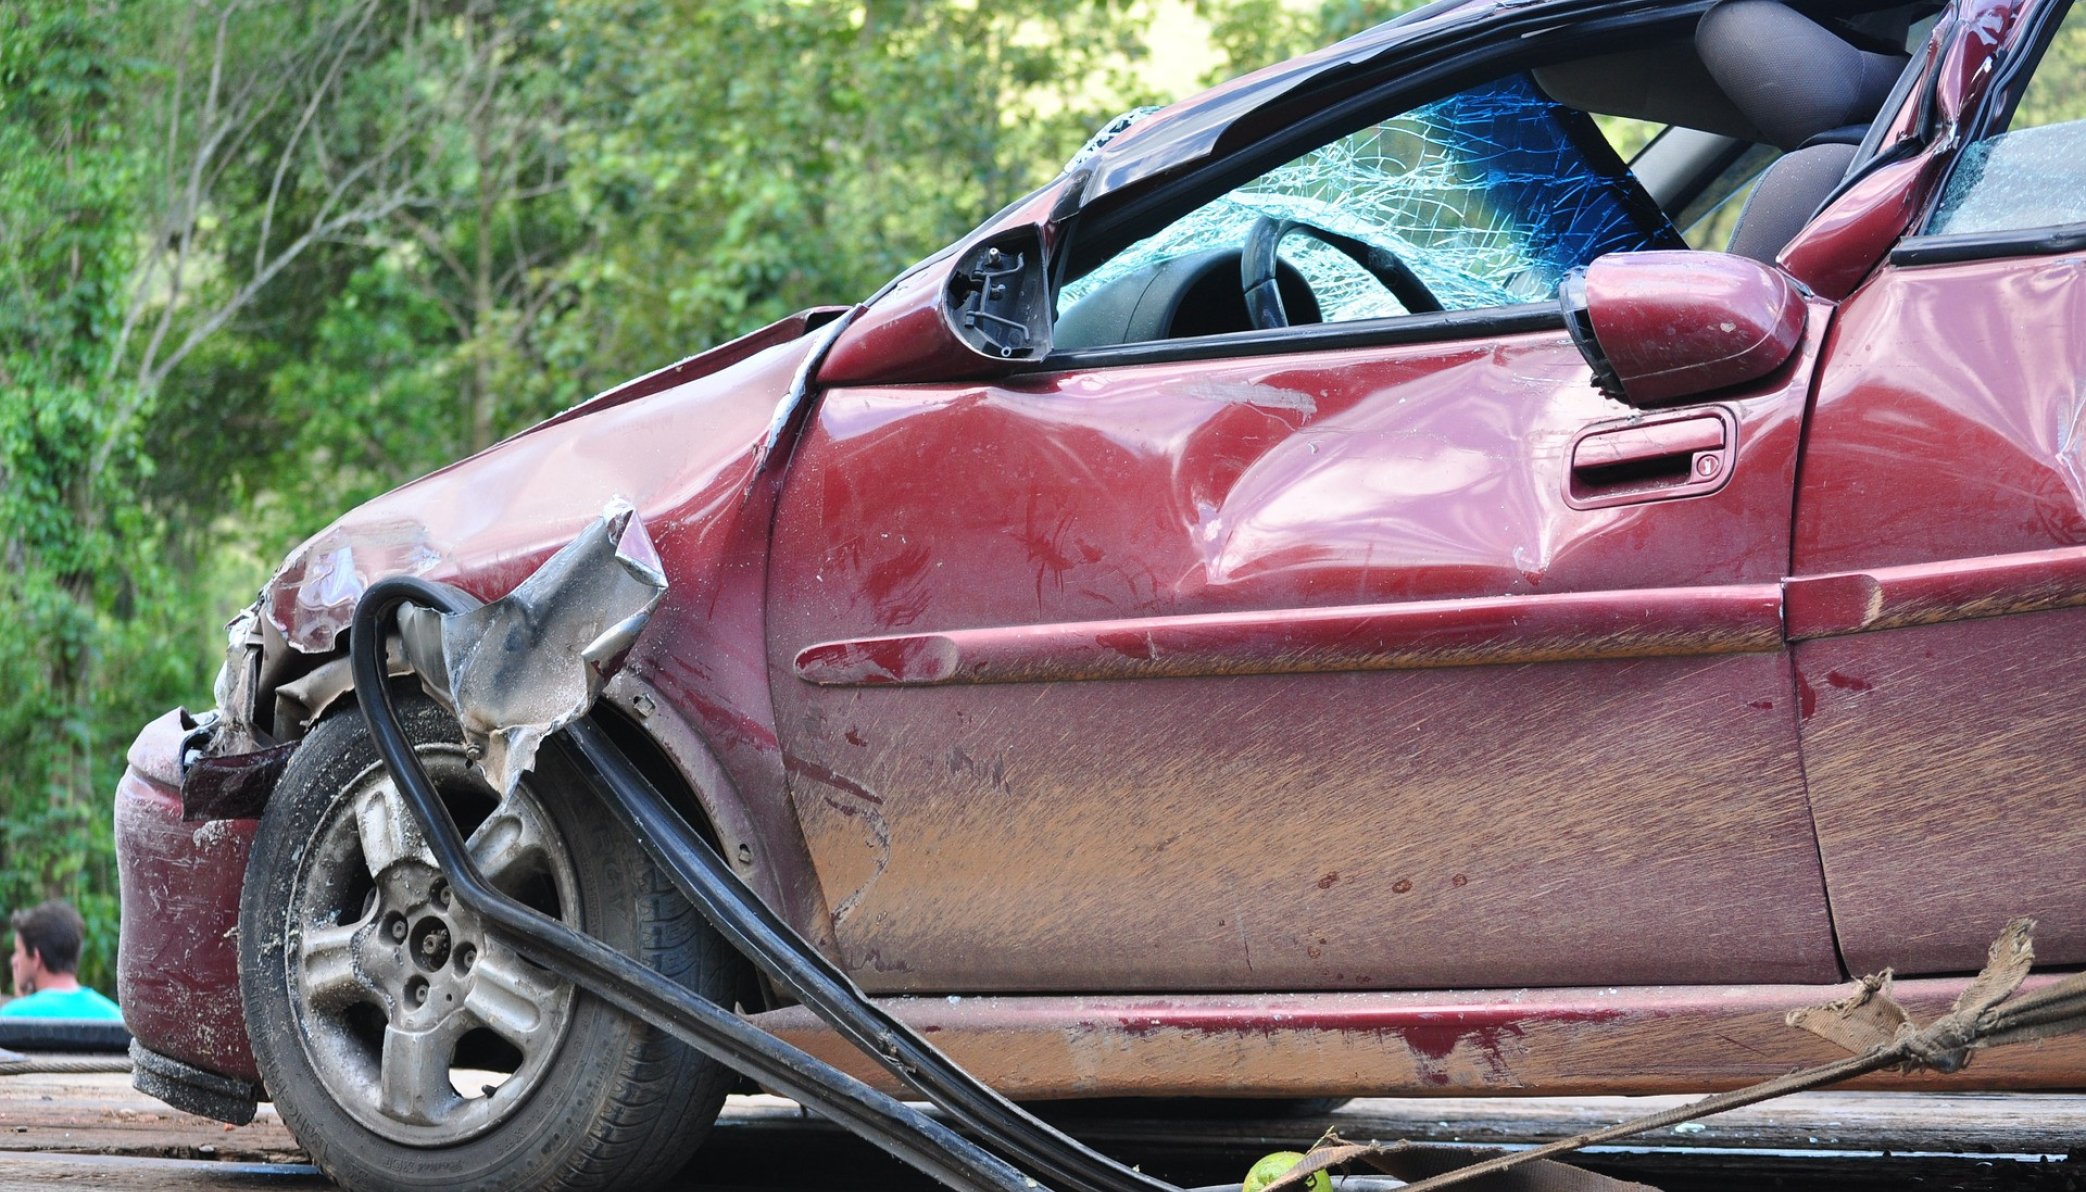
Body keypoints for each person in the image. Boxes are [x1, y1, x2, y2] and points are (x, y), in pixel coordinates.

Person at [4, 899, 122, 1020]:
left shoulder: (9, 1018)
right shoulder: (116, 1018)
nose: (14, 960)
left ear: (36, 957)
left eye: (18, 951)